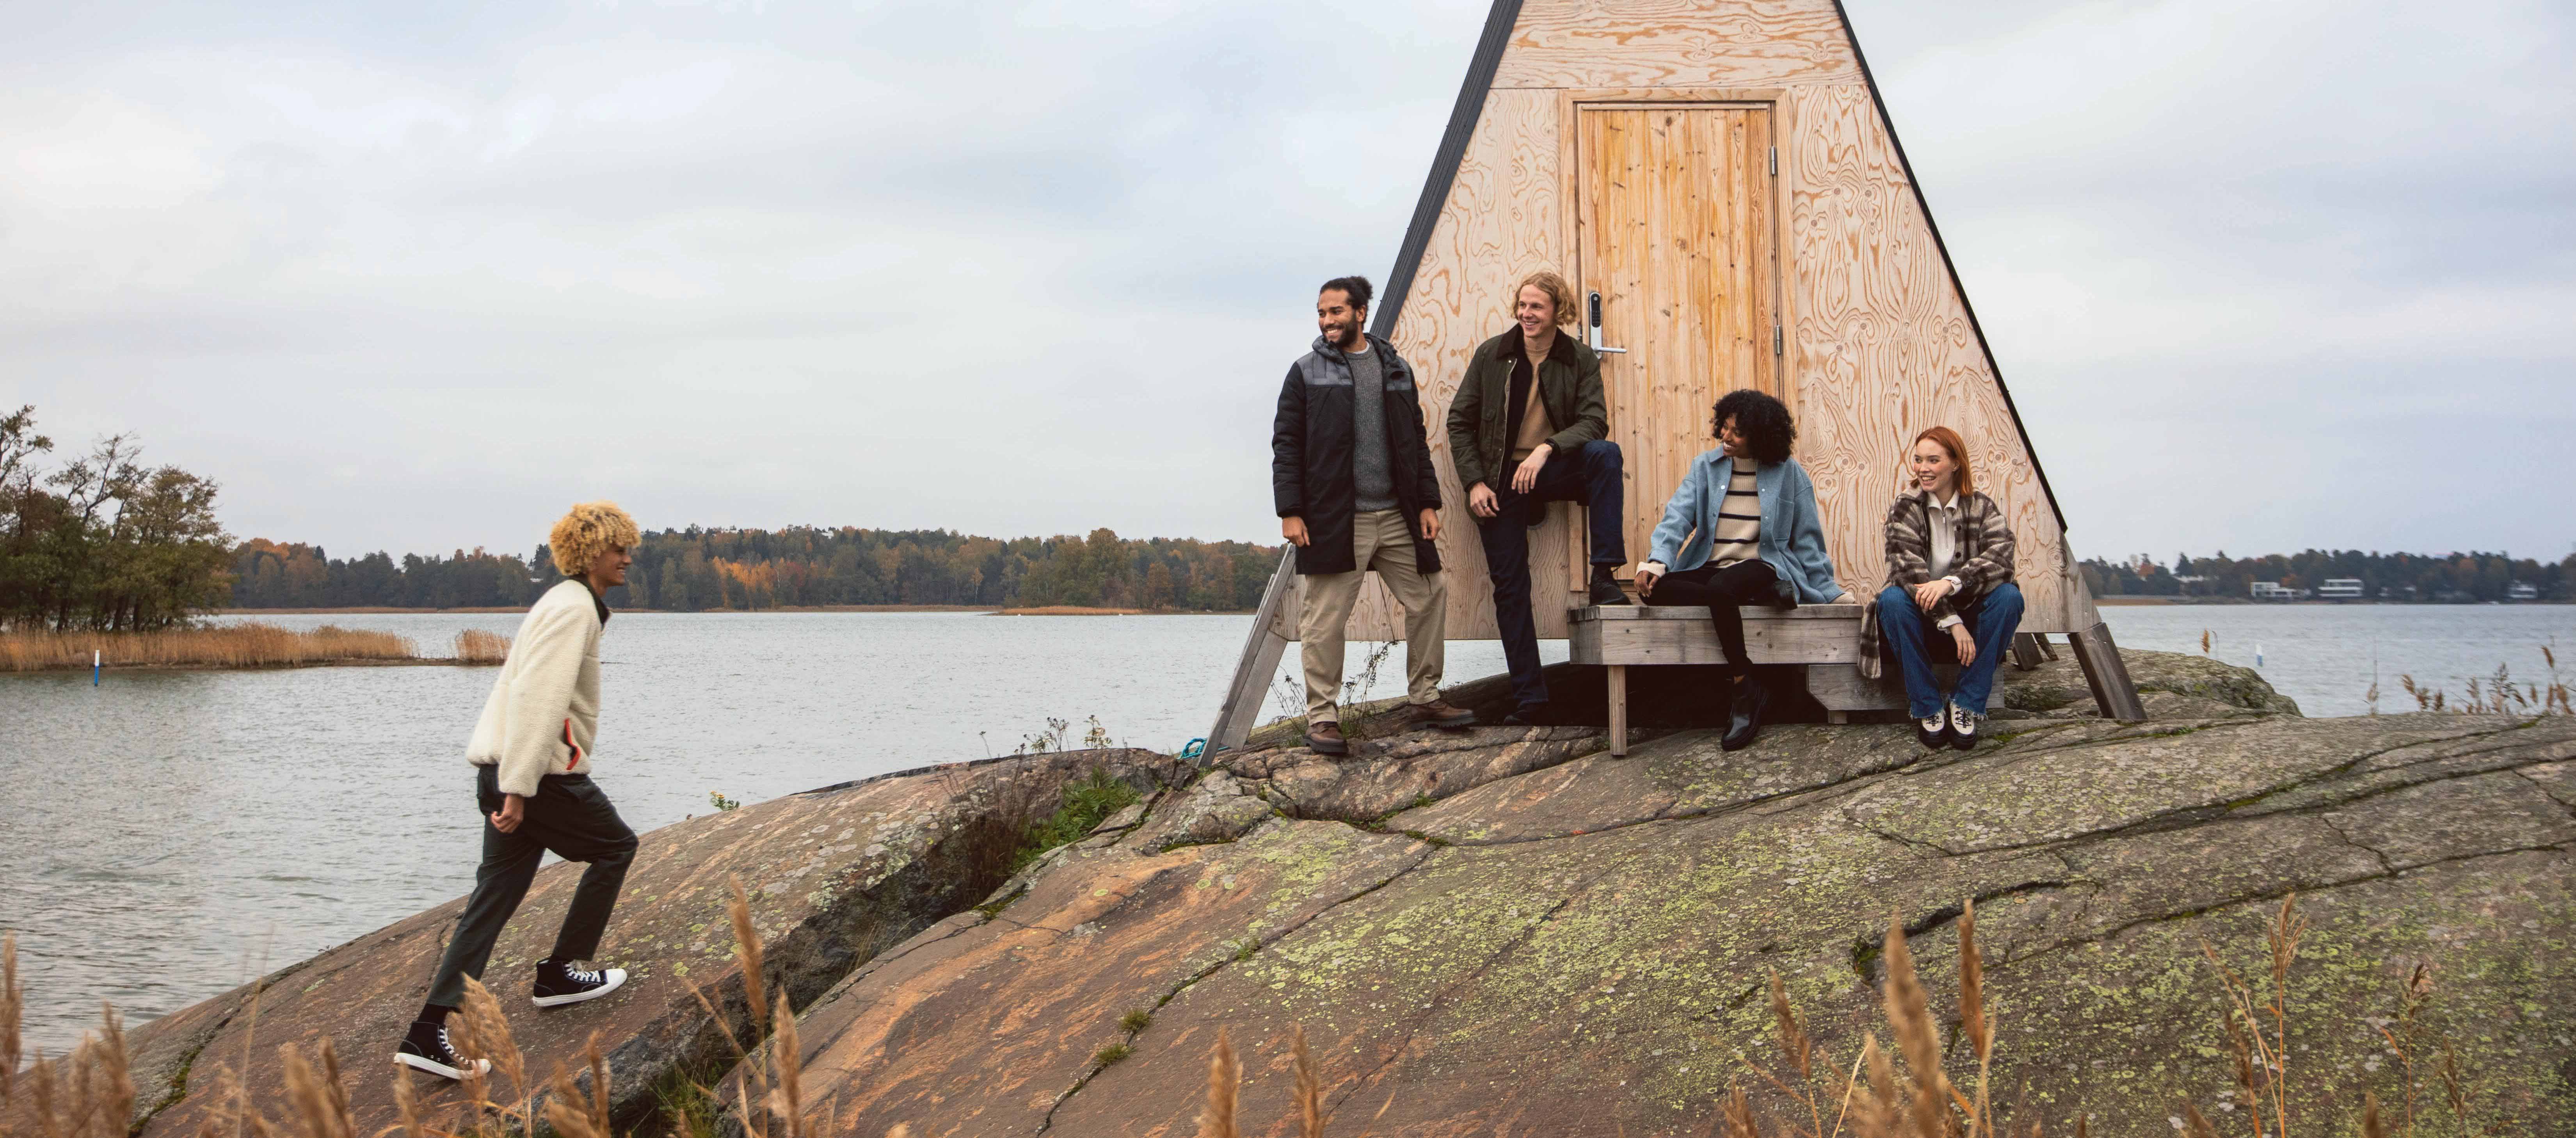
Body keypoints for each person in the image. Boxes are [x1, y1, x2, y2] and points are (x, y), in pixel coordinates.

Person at [397, 502, 644, 1080]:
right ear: (591, 553)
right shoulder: (573, 608)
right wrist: (518, 789)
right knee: (616, 847)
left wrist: (507, 782)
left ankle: (427, 1031)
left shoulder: (562, 602)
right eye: (619, 548)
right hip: (538, 779)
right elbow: (538, 699)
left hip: (509, 772)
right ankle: (560, 972)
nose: (627, 557)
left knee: (495, 896)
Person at [1274, 275, 1476, 755]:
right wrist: (1291, 511)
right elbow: (1287, 445)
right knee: (1323, 620)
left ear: (1361, 313)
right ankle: (1323, 718)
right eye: (1321, 313)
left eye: (1336, 312)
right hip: (1334, 520)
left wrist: (1428, 502)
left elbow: (1415, 441)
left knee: (1430, 594)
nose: (1327, 322)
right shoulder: (1305, 373)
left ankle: (1424, 698)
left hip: (1397, 515)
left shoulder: (1395, 369)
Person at [1445, 270, 1630, 724]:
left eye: (1537, 307)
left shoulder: (1578, 358)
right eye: (1522, 305)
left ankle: (1604, 575)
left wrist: (1547, 449)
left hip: (1551, 469)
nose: (1527, 314)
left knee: (1606, 455)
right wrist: (1476, 483)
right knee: (1510, 588)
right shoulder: (1493, 355)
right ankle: (1531, 699)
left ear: (1557, 313)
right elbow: (1459, 421)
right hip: (1500, 480)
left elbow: (1594, 422)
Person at [1634, 390, 1854, 751]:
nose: (1725, 436)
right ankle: (1761, 599)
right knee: (1656, 590)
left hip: (1763, 563)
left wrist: (1828, 591)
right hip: (1713, 563)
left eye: (1736, 432)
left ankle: (1743, 685)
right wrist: (1658, 562)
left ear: (1761, 435)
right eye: (1723, 427)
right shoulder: (1704, 467)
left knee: (1722, 590)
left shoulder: (1789, 474)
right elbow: (1677, 518)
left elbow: (1807, 538)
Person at [1872, 426, 2022, 751]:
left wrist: (1951, 582)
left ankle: (1966, 703)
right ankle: (1927, 707)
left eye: (1933, 460)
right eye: (1918, 460)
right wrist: (1951, 623)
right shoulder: (1905, 507)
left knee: (2010, 596)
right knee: (1892, 598)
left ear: (1955, 464)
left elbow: (2002, 558)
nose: (1922, 468)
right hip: (1921, 619)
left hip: (1971, 617)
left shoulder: (1981, 506)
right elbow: (1907, 571)